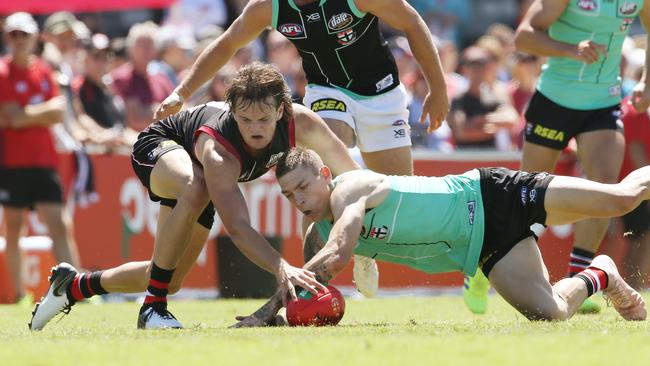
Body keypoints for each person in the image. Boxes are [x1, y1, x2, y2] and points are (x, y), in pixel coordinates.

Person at [28, 62, 359, 331]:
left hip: (195, 176)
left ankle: (72, 286)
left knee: (165, 277)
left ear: (282, 110)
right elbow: (239, 227)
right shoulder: (219, 152)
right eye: (244, 119)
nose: (255, 129)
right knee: (195, 186)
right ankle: (152, 308)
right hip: (159, 146)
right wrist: (282, 267)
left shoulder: (302, 123)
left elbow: (350, 175)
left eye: (263, 119)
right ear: (232, 111)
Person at [231, 147, 648, 327]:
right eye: (289, 194)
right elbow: (312, 288)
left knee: (621, 199)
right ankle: (602, 273)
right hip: (484, 248)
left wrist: (267, 310)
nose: (298, 199)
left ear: (324, 175)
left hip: (493, 194)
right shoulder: (313, 235)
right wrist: (291, 314)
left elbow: (338, 253)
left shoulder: (349, 187)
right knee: (551, 314)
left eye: (304, 187)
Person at [464, 0, 650, 315]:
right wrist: (571, 48)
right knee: (522, 197)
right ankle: (484, 265)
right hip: (554, 102)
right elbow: (523, 37)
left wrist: (646, 81)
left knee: (605, 184)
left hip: (602, 103)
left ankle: (577, 277)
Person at [154, 0, 448, 177]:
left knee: (397, 191)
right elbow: (227, 44)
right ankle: (313, 278)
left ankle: (365, 241)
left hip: (381, 93)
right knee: (323, 165)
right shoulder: (268, 7)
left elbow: (412, 22)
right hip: (326, 89)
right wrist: (181, 92)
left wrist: (438, 87)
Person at [0, 12, 82, 304]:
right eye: (14, 35)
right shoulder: (3, 72)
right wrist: (40, 112)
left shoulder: (43, 70)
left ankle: (76, 289)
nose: (19, 40)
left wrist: (27, 114)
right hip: (12, 163)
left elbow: (58, 112)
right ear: (7, 37)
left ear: (34, 37)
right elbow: (10, 117)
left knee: (60, 224)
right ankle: (19, 293)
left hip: (44, 159)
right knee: (13, 228)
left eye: (24, 34)